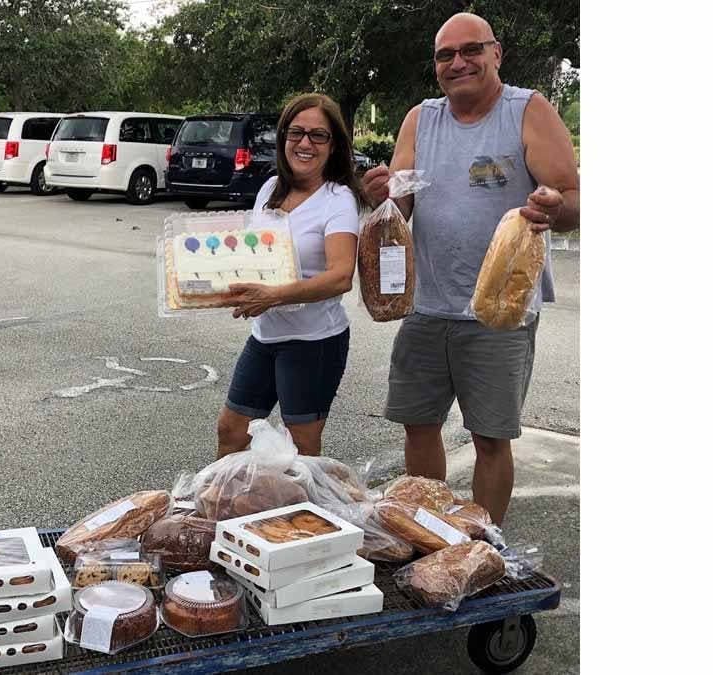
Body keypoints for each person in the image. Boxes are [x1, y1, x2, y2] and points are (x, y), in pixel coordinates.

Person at [361, 12, 580, 524]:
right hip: (426, 304)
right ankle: (432, 531)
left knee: (490, 437)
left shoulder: (528, 111)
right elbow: (401, 206)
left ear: (496, 53)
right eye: (445, 55)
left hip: (500, 310)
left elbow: (574, 199)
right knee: (418, 424)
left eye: (471, 50)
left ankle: (482, 545)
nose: (458, 62)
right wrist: (378, 196)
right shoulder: (421, 119)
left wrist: (553, 204)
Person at [217, 93, 365, 458]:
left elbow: (341, 276)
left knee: (301, 448)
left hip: (313, 341)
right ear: (283, 137)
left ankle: (302, 516)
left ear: (334, 146)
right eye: (296, 132)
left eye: (318, 135)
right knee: (231, 431)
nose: (305, 143)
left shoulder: (338, 199)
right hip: (266, 336)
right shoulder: (269, 190)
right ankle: (225, 513)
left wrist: (271, 296)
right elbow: (254, 252)